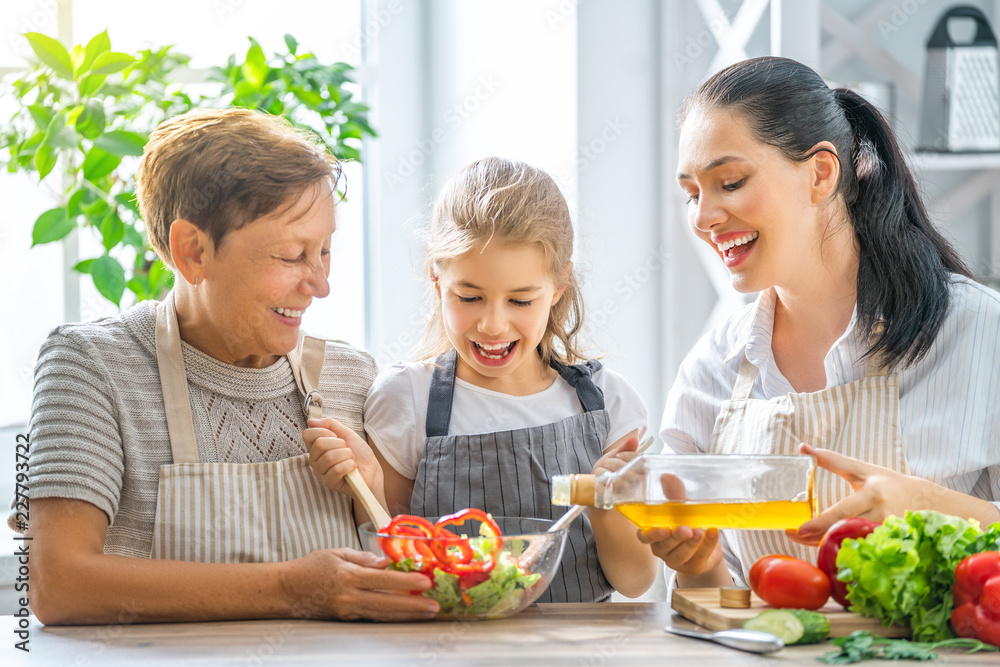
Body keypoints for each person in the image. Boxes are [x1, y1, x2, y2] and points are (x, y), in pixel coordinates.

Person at [14, 108, 438, 624]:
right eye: (290, 256)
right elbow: (57, 584)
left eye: (324, 251)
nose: (320, 283)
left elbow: (400, 572)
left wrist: (373, 500)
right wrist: (291, 588)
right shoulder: (90, 367)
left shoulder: (352, 375)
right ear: (192, 251)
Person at [644, 56, 1000, 590]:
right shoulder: (712, 369)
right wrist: (700, 565)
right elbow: (721, 608)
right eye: (693, 194)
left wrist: (925, 504)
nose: (703, 218)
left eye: (731, 182)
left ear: (821, 173)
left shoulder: (976, 332)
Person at [307, 157, 657, 601]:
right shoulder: (407, 398)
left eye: (521, 300)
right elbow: (391, 556)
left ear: (559, 285)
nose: (493, 324)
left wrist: (606, 502)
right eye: (470, 297)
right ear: (437, 278)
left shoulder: (609, 402)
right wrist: (367, 484)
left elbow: (635, 581)